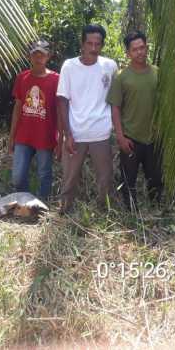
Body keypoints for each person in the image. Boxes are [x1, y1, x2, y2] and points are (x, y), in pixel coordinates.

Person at [57, 24, 118, 213]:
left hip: (101, 132)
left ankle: (104, 212)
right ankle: (65, 211)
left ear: (102, 45)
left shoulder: (110, 66)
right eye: (89, 43)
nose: (93, 48)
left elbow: (116, 99)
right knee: (69, 177)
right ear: (82, 44)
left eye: (97, 44)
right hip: (76, 132)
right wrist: (67, 134)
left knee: (105, 179)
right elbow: (62, 100)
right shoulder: (69, 66)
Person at [107, 31, 163, 210]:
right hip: (131, 139)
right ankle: (131, 215)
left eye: (142, 48)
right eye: (134, 49)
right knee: (128, 180)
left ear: (147, 48)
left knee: (155, 179)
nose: (139, 52)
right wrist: (121, 138)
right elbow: (115, 108)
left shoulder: (157, 73)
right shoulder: (121, 77)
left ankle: (156, 210)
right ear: (128, 53)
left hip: (154, 138)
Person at [8, 40, 60, 201]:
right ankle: (26, 200)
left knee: (44, 173)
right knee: (17, 176)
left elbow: (60, 111)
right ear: (29, 56)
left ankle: (42, 204)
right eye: (35, 54)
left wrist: (60, 137)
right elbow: (17, 108)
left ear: (48, 56)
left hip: (45, 136)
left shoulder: (56, 79)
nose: (38, 58)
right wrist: (11, 137)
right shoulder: (22, 78)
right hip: (23, 136)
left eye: (42, 54)